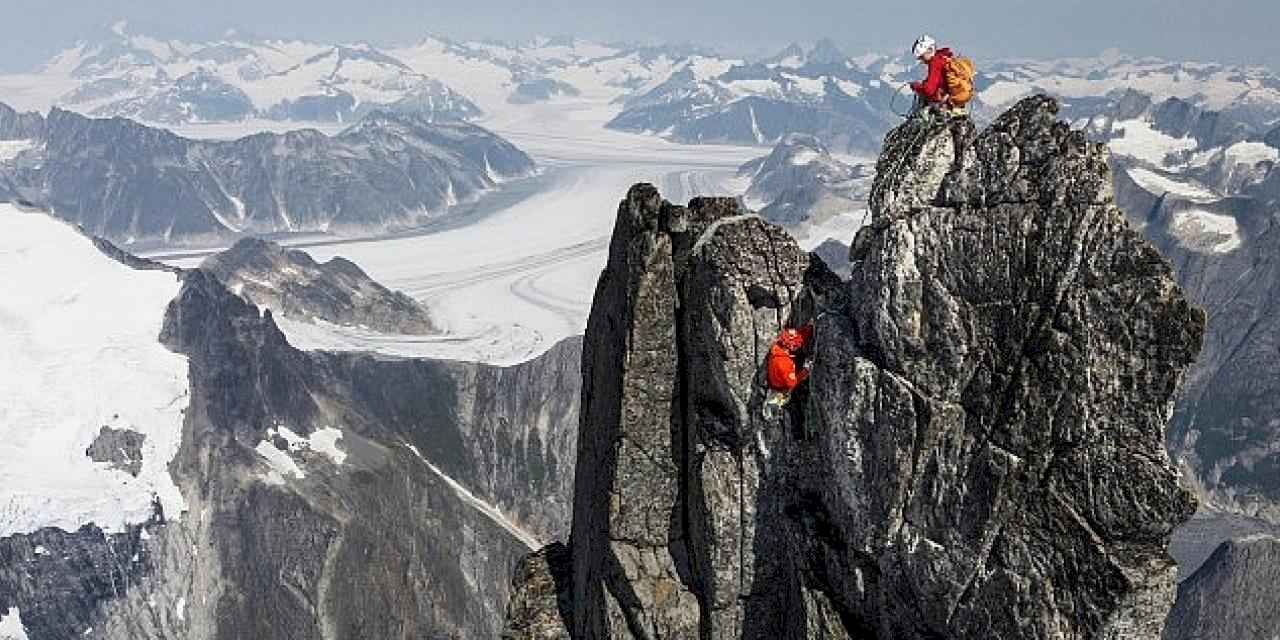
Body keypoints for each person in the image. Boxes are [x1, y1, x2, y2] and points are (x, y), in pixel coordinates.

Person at [908, 34, 973, 117]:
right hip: (954, 99)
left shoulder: (935, 63)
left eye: (922, 56)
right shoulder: (944, 57)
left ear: (929, 50)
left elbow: (929, 90)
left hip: (944, 101)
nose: (921, 60)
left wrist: (916, 86)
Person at [767, 325, 814, 395]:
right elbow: (791, 383)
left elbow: (798, 336)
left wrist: (809, 328)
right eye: (795, 345)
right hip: (782, 385)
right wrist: (805, 370)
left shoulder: (778, 347)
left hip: (779, 377)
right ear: (790, 346)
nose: (798, 345)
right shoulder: (784, 362)